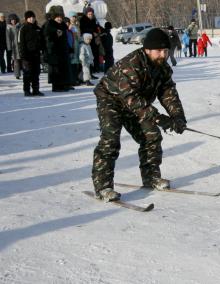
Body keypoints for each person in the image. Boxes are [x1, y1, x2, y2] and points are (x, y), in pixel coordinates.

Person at [92, 28, 187, 201]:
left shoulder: (162, 68)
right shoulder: (132, 65)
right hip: (111, 100)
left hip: (137, 104)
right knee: (110, 140)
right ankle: (103, 186)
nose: (163, 55)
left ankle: (151, 177)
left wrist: (178, 117)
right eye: (159, 51)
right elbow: (130, 97)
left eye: (166, 51)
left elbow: (168, 93)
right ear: (147, 49)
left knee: (151, 136)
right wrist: (158, 117)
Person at [44, 5, 72, 92]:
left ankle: (64, 84)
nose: (59, 19)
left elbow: (65, 38)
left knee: (64, 68)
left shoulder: (63, 25)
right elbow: (47, 37)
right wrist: (55, 34)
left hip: (63, 50)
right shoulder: (50, 24)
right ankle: (56, 86)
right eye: (57, 17)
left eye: (60, 17)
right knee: (56, 69)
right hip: (54, 51)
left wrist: (69, 48)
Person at [18, 10, 44, 96]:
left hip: (36, 54)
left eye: (33, 17)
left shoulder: (37, 28)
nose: (32, 19)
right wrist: (23, 55)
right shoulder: (23, 28)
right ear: (26, 19)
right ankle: (27, 90)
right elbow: (20, 43)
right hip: (27, 55)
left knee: (36, 73)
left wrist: (42, 49)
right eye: (29, 18)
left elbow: (42, 40)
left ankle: (36, 89)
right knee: (27, 73)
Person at [67, 11, 81, 86]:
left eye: (75, 17)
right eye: (73, 17)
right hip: (73, 44)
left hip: (77, 44)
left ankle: (77, 78)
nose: (74, 18)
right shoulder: (71, 26)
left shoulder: (77, 25)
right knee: (73, 62)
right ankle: (73, 79)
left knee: (77, 63)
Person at [6, 13, 21, 79]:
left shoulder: (19, 26)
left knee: (23, 60)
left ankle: (26, 72)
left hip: (21, 45)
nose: (13, 21)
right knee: (16, 61)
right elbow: (8, 38)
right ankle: (17, 74)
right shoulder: (8, 27)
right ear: (10, 20)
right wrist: (9, 47)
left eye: (14, 20)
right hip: (14, 46)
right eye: (12, 20)